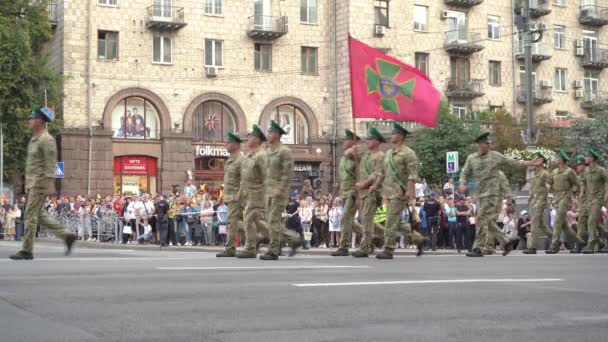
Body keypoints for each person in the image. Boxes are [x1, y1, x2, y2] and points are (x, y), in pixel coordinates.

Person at [459, 132, 541, 258]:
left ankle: (477, 248)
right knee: (488, 221)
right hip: (480, 194)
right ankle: (507, 240)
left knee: (481, 219)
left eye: (490, 143)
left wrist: (530, 163)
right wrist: (463, 183)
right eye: (487, 144)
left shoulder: (495, 156)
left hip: (492, 194)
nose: (490, 145)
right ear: (481, 145)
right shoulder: (471, 158)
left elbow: (512, 162)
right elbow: (465, 172)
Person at [10, 105, 76, 260]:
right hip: (33, 183)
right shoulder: (34, 140)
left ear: (39, 121)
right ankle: (67, 235)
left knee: (30, 215)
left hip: (40, 183)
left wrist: (50, 183)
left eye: (32, 119)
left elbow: (50, 163)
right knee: (39, 215)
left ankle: (27, 250)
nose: (30, 121)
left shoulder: (47, 139)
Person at [376, 123, 425, 259]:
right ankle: (418, 238)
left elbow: (412, 175)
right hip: (388, 192)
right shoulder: (388, 153)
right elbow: (382, 173)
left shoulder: (409, 153)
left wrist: (409, 192)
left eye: (394, 133)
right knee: (393, 221)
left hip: (400, 192)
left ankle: (389, 249)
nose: (392, 136)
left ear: (400, 136)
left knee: (390, 220)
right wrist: (377, 188)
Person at [259, 120, 302, 260]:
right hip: (268, 191)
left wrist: (280, 189)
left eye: (270, 132)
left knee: (274, 221)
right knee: (272, 222)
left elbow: (287, 174)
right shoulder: (268, 152)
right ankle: (293, 239)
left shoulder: (285, 151)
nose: (268, 134)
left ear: (277, 135)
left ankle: (273, 250)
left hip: (279, 192)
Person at [351, 127, 385, 258]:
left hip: (373, 191)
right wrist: (353, 150)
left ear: (377, 141)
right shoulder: (366, 155)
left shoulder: (380, 156)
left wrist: (364, 184)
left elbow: (377, 174)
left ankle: (365, 247)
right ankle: (385, 236)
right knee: (366, 220)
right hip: (363, 193)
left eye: (370, 139)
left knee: (366, 220)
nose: (368, 141)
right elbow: (351, 156)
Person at [236, 125, 268, 258]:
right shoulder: (249, 156)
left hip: (257, 194)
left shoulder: (261, 155)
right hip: (248, 194)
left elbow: (267, 175)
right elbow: (245, 177)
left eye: (249, 136)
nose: (247, 139)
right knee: (256, 222)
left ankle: (250, 248)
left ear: (256, 139)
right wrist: (240, 193)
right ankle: (287, 238)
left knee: (248, 220)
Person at [546, 150, 585, 254]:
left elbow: (577, 183)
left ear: (562, 160)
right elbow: (549, 182)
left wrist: (571, 192)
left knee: (558, 221)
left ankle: (554, 245)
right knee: (564, 225)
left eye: (557, 158)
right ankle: (579, 242)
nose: (556, 160)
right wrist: (548, 187)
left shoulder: (569, 171)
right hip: (556, 198)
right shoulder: (554, 171)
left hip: (565, 197)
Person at [332, 129, 361, 256]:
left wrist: (354, 152)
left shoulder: (356, 155)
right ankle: (372, 235)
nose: (344, 142)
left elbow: (362, 173)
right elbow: (342, 175)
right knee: (349, 221)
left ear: (352, 142)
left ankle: (343, 246)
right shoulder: (343, 157)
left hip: (353, 192)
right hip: (344, 192)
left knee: (345, 218)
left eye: (347, 139)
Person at [216, 132, 245, 256]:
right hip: (230, 196)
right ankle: (263, 238)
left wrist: (239, 193)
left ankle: (230, 248)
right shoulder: (230, 159)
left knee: (232, 222)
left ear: (235, 144)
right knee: (247, 222)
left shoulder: (241, 159)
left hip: (237, 196)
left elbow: (245, 179)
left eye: (228, 143)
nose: (225, 145)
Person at [524, 152, 553, 254]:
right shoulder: (535, 174)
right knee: (541, 224)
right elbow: (534, 187)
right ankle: (556, 239)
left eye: (536, 159)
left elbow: (549, 186)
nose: (534, 161)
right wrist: (530, 196)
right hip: (535, 201)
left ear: (541, 161)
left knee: (535, 223)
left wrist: (548, 191)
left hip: (541, 201)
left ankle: (532, 247)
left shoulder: (545, 173)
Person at [580, 149, 608, 253]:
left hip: (598, 198)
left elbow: (607, 181)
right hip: (589, 199)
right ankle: (601, 241)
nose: (585, 158)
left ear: (592, 159)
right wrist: (582, 191)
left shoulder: (601, 170)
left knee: (591, 220)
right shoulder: (586, 171)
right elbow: (583, 181)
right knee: (593, 222)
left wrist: (606, 193)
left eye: (587, 156)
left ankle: (590, 245)